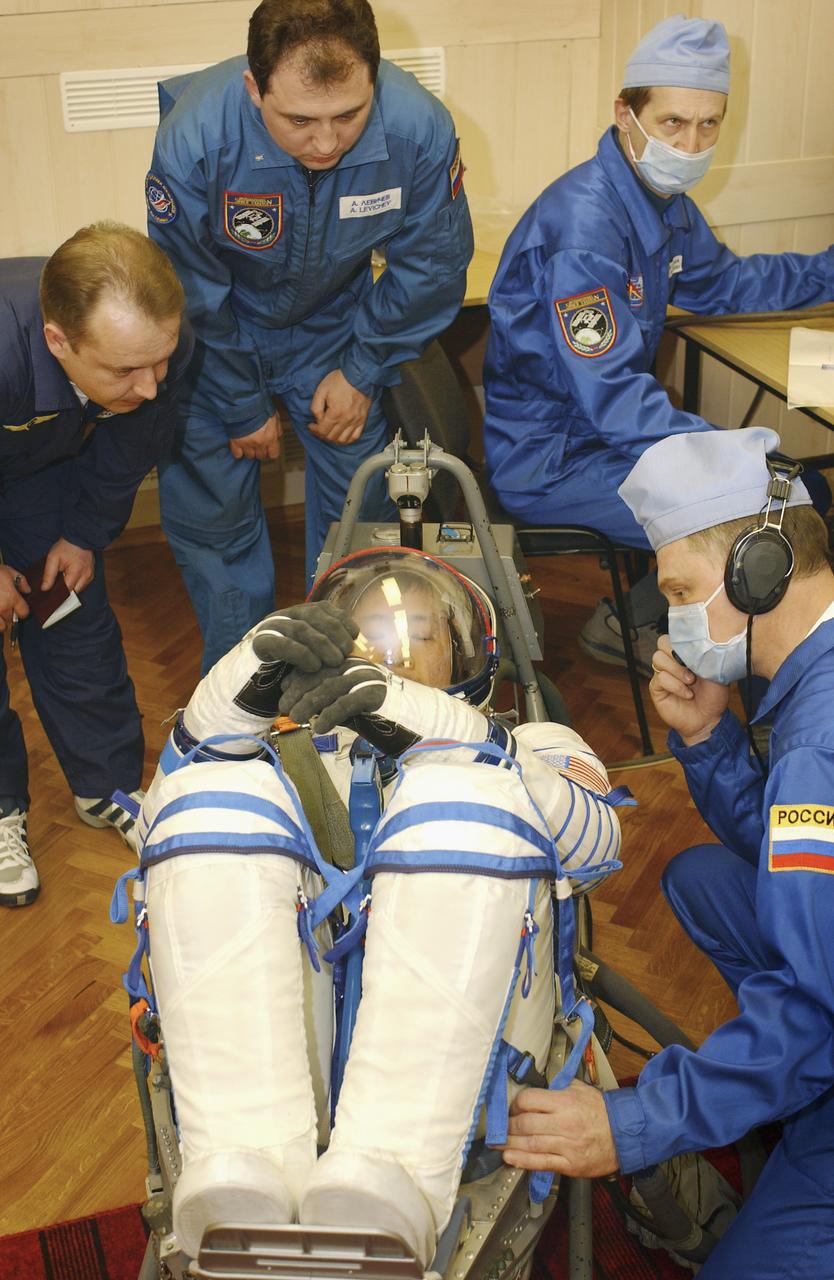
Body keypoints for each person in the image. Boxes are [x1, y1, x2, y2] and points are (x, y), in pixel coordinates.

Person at [130, 546, 625, 1263]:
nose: (388, 658)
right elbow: (155, 845)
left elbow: (596, 841)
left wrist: (451, 736)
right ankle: (250, 1162)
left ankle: (396, 1180)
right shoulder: (269, 763)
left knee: (463, 802)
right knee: (207, 798)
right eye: (365, 639)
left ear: (466, 656)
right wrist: (226, 705)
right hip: (278, 1077)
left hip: (475, 1088)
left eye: (418, 637)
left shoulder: (526, 745)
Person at [499, 427, 834, 1279]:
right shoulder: (812, 690)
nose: (675, 620)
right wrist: (712, 737)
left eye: (682, 590)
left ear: (757, 570)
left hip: (825, 1019)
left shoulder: (814, 754)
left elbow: (814, 1009)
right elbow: (788, 856)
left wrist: (627, 1125)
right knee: (703, 879)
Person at [482, 13, 833, 678]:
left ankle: (649, 613)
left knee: (797, 485)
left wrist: (827, 270)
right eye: (673, 123)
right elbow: (615, 401)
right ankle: (655, 627)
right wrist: (730, 455)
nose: (693, 142)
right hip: (554, 460)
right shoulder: (587, 226)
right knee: (784, 509)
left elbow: (726, 283)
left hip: (603, 437)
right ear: (626, 113)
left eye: (709, 125)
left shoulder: (659, 197)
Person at [146, 0, 474, 675]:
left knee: (361, 510)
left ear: (374, 84)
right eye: (299, 120)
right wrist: (239, 402)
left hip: (336, 331)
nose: (325, 144)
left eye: (347, 116)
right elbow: (190, 292)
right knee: (218, 527)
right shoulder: (195, 138)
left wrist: (363, 370)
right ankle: (247, 690)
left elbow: (432, 269)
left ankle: (346, 681)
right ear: (253, 88)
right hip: (215, 343)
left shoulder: (418, 131)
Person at [0, 223, 193, 908]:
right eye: (124, 372)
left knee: (70, 613)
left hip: (40, 475)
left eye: (160, 363)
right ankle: (0, 811)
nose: (148, 384)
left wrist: (82, 534)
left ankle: (106, 788)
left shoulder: (154, 340)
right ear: (58, 341)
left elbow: (129, 446)